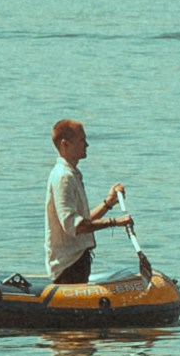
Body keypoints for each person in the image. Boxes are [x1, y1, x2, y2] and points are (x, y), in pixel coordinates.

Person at [44, 119, 128, 285]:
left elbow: (83, 219)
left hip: (78, 261)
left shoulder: (72, 174)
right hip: (68, 266)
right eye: (82, 140)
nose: (87, 145)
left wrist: (108, 203)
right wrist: (115, 222)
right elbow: (75, 226)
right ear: (65, 144)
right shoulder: (63, 178)